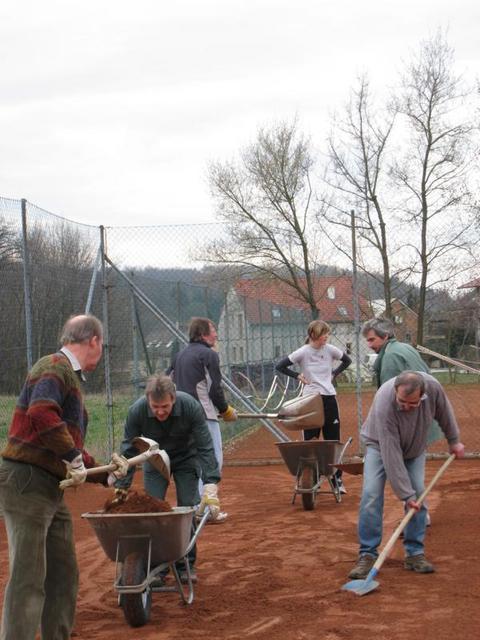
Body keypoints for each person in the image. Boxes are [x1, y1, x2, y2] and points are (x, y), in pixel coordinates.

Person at [0, 314, 128, 640]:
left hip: (49, 487)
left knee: (63, 574)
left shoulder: (66, 375)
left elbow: (67, 442)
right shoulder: (54, 366)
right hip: (28, 481)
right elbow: (41, 412)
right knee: (29, 577)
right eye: (103, 346)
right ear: (94, 341)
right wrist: (72, 458)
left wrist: (106, 476)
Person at [348, 371, 465, 580]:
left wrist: (454, 440)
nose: (405, 407)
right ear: (395, 391)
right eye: (402, 401)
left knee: (419, 493)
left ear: (423, 395)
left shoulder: (433, 388)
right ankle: (367, 555)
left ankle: (414, 553)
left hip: (415, 447)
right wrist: (405, 495)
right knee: (371, 494)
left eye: (413, 404)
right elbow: (391, 453)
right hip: (379, 445)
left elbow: (444, 413)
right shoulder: (385, 401)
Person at [113, 374, 222, 584]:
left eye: (164, 406)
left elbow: (205, 446)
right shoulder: (137, 411)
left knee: (187, 508)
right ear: (148, 401)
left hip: (185, 458)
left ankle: (186, 565)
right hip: (154, 460)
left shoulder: (190, 406)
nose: (160, 411)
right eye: (155, 407)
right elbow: (127, 452)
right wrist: (121, 488)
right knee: (153, 510)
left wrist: (210, 482)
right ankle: (157, 568)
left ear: (173, 398)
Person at [362, 316, 442, 525]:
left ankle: (417, 516)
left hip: (409, 424)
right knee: (411, 472)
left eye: (371, 340)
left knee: (402, 468)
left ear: (385, 336)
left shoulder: (390, 358)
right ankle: (418, 514)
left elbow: (391, 400)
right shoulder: (405, 348)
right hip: (420, 420)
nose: (369, 345)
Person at [167, 317, 237, 523]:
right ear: (203, 334)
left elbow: (166, 382)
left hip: (179, 416)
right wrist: (225, 410)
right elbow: (214, 388)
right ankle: (204, 510)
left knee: (191, 460)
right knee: (212, 459)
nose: (216, 334)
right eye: (213, 330)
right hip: (203, 415)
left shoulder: (179, 355)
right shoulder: (209, 355)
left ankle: (194, 507)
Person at [275, 319, 352, 494]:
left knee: (333, 440)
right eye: (323, 334)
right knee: (310, 441)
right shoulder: (303, 352)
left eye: (327, 333)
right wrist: (297, 376)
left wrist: (335, 373)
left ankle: (337, 479)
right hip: (310, 400)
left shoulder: (330, 350)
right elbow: (280, 366)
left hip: (329, 398)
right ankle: (312, 477)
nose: (326, 337)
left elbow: (347, 360)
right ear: (312, 335)